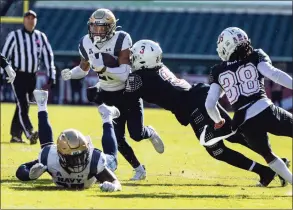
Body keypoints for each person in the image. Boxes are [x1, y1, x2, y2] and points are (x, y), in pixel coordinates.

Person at [124, 39, 289, 187]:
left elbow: (127, 97)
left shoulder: (139, 76)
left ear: (144, 60)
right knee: (234, 135)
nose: (131, 59)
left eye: (135, 56)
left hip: (195, 105)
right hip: (197, 98)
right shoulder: (157, 68)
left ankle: (265, 172)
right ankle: (275, 164)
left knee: (217, 150)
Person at [61, 8, 164, 180]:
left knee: (136, 134)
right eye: (94, 27)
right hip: (108, 95)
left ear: (111, 28)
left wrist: (104, 68)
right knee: (117, 138)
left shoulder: (122, 39)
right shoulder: (86, 42)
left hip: (128, 91)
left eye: (102, 28)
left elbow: (125, 73)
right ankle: (139, 169)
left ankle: (150, 132)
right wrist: (72, 73)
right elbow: (83, 69)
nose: (97, 31)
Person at [206, 27, 292, 185]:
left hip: (243, 121)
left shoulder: (217, 71)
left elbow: (210, 104)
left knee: (268, 155)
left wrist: (218, 120)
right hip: (265, 109)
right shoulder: (255, 56)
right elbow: (274, 74)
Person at [16, 89, 122, 192]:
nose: (78, 162)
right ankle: (42, 105)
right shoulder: (50, 157)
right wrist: (29, 175)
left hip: (92, 166)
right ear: (60, 155)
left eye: (81, 156)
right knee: (46, 149)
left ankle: (107, 117)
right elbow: (21, 170)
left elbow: (115, 182)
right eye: (73, 158)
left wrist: (113, 187)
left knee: (112, 160)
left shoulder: (94, 160)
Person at [1, 10, 56, 144]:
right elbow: (4, 54)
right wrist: (3, 73)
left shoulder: (40, 36)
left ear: (36, 21)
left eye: (33, 18)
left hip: (32, 76)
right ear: (24, 20)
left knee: (22, 106)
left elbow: (48, 55)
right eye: (28, 18)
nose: (30, 21)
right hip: (17, 75)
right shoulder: (14, 36)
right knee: (23, 104)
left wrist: (51, 73)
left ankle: (15, 135)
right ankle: (30, 132)